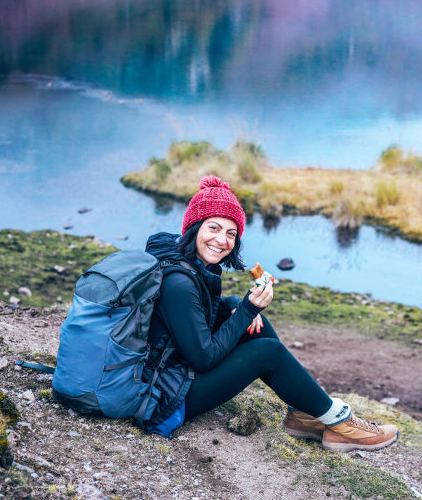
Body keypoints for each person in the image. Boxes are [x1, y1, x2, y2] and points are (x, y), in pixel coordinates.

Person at [141, 174, 398, 452]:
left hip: (172, 374)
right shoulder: (178, 282)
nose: (222, 240)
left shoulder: (188, 262)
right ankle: (341, 425)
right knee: (268, 352)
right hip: (160, 399)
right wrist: (248, 308)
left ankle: (304, 414)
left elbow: (191, 316)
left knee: (257, 325)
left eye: (231, 233)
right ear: (194, 226)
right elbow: (203, 358)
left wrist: (234, 306)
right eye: (213, 227)